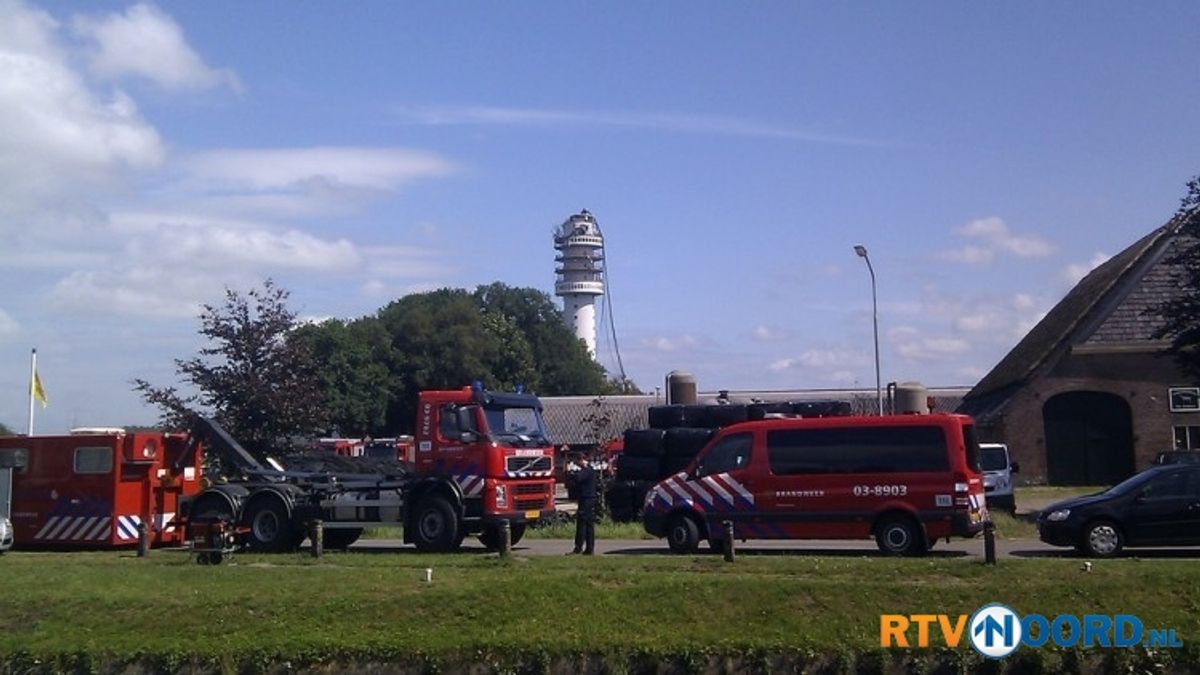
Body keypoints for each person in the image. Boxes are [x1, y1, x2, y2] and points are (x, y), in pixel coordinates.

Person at [570, 453, 597, 555]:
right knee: (589, 524)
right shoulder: (590, 470)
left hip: (586, 499)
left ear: (581, 460)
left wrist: (572, 473)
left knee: (582, 523)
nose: (576, 464)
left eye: (576, 462)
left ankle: (578, 547)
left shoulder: (587, 470)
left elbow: (578, 478)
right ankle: (589, 548)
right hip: (589, 498)